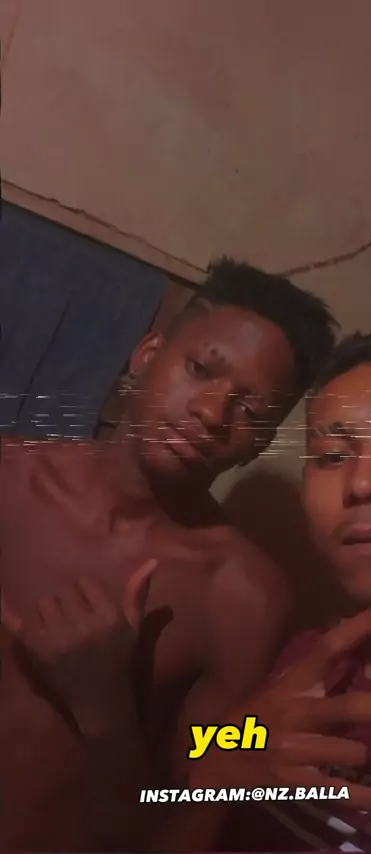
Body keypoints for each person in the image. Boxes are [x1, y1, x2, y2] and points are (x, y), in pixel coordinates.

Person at [0, 258, 338, 852]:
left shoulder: (244, 600)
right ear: (147, 354)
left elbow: (181, 820)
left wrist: (104, 704)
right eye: (200, 369)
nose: (211, 414)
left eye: (251, 411)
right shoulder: (9, 480)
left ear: (260, 442)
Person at [171, 329, 371, 853]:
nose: (362, 485)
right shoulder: (300, 661)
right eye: (333, 456)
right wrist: (215, 773)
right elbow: (185, 779)